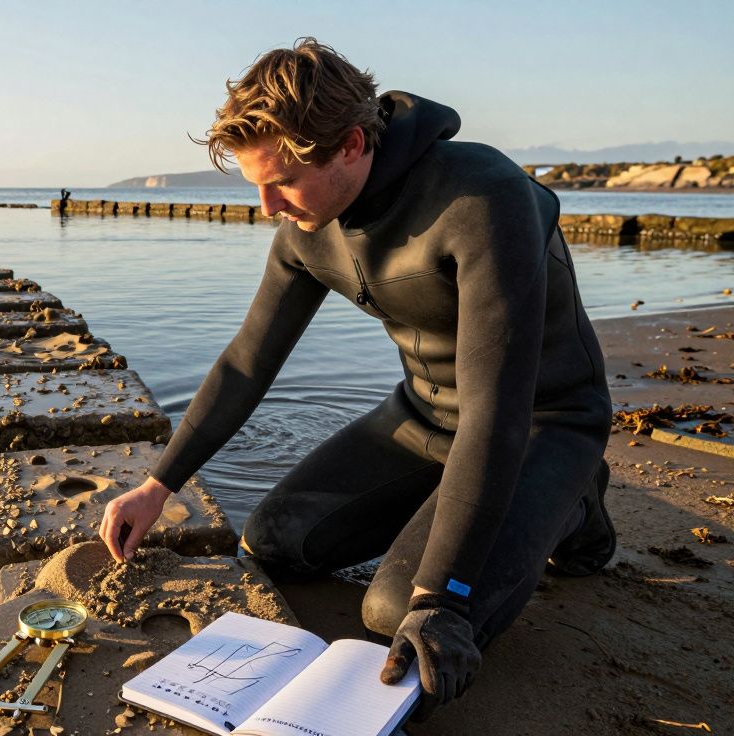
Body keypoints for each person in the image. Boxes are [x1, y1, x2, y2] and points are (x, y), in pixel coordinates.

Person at [98, 38, 613, 720]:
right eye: (255, 184)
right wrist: (158, 486)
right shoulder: (308, 228)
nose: (266, 206)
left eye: (280, 181)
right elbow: (248, 361)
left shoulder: (483, 197)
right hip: (424, 419)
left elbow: (496, 412)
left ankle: (575, 503)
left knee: (397, 611)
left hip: (537, 424)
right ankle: (451, 502)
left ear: (349, 145)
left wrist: (442, 600)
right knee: (276, 539)